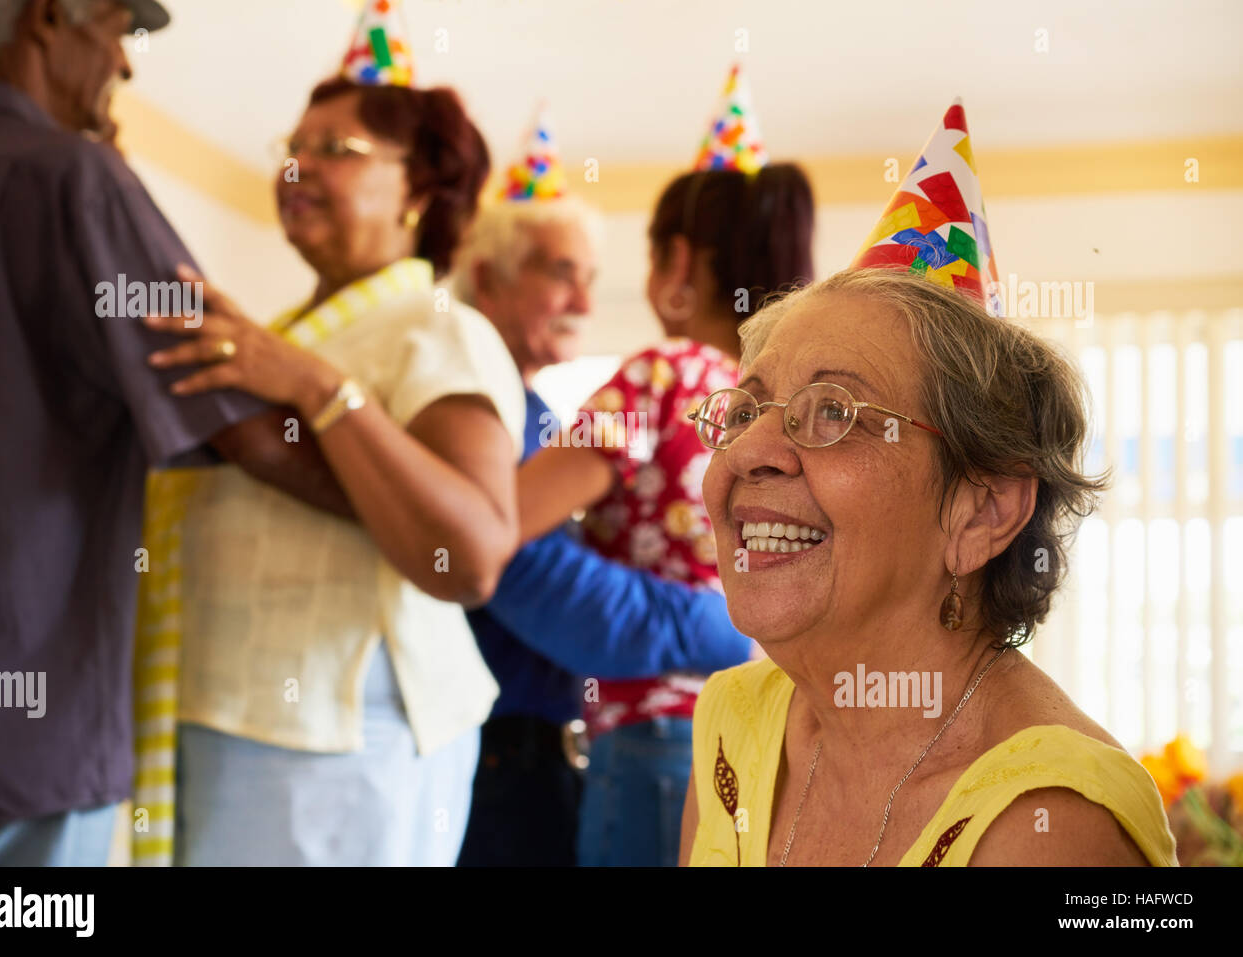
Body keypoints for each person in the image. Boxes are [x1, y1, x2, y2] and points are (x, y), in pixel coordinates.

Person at [680, 101, 1176, 867]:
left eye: (835, 411)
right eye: (746, 409)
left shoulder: (1053, 825)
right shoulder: (733, 721)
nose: (750, 450)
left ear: (981, 510)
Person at [0, 0, 345, 866]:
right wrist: (428, 506)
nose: (125, 67)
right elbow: (238, 419)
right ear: (49, 16)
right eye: (121, 30)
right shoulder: (75, 179)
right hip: (17, 753)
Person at [143, 72, 526, 867]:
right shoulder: (285, 334)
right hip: (229, 715)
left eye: (338, 151)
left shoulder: (437, 328)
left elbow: (472, 555)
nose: (298, 168)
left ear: (417, 188)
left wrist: (316, 387)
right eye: (293, 149)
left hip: (338, 736)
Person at [510, 152, 816, 865]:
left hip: (649, 741)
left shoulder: (664, 375)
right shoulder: (786, 408)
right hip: (760, 737)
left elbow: (501, 523)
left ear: (679, 262)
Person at [451, 187, 755, 867]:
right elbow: (494, 549)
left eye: (592, 278)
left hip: (624, 743)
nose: (587, 304)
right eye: (562, 273)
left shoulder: (570, 410)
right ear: (486, 280)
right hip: (523, 752)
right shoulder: (475, 413)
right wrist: (719, 629)